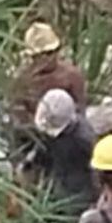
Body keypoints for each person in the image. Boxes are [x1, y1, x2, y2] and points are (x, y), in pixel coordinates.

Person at [9, 23, 87, 154]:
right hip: (33, 142)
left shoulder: (71, 76)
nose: (47, 59)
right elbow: (17, 114)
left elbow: (81, 110)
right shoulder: (22, 81)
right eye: (41, 55)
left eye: (50, 53)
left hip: (67, 140)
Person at [20, 89, 96, 217]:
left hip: (77, 195)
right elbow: (45, 146)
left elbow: (94, 172)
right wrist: (31, 161)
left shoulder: (83, 140)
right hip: (57, 186)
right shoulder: (57, 133)